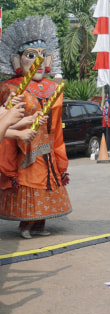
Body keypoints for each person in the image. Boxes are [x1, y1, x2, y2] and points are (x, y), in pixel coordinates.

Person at [0, 16, 71, 239]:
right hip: (24, 148)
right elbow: (6, 119)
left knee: (48, 182)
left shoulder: (54, 89)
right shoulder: (10, 88)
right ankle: (25, 224)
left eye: (42, 55)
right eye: (31, 56)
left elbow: (56, 126)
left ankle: (39, 224)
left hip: (46, 147)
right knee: (29, 183)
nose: (38, 62)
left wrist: (59, 152)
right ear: (17, 61)